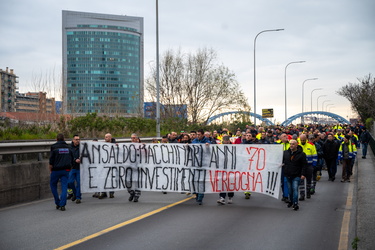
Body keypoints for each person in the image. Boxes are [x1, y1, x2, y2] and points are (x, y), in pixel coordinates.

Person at [49, 133, 74, 211]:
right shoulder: (68, 147)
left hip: (56, 170)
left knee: (53, 185)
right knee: (64, 187)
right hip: (66, 170)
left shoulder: (54, 147)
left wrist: (51, 169)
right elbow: (72, 159)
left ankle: (57, 202)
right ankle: (63, 204)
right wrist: (70, 168)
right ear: (64, 139)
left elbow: (51, 160)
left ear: (56, 139)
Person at [282, 139, 307, 211]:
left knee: (295, 189)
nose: (291, 145)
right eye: (290, 144)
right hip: (288, 174)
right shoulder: (286, 153)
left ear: (296, 145)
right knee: (290, 190)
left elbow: (304, 165)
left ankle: (295, 203)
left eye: (293, 144)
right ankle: (291, 201)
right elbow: (282, 161)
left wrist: (303, 174)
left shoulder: (302, 154)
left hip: (296, 175)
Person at [192, 129, 211, 205]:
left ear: (203, 135)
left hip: (203, 164)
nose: (198, 136)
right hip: (195, 163)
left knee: (201, 181)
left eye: (199, 134)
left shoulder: (207, 141)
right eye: (197, 134)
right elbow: (191, 149)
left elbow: (210, 152)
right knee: (195, 180)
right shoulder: (194, 141)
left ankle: (200, 197)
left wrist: (207, 147)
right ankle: (196, 193)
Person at [298, 134, 317, 200]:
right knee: (301, 181)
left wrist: (314, 165)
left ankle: (308, 192)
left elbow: (315, 155)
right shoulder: (298, 145)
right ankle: (302, 194)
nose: (302, 141)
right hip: (301, 166)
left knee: (309, 180)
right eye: (301, 140)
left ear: (306, 139)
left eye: (303, 140)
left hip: (309, 165)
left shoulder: (311, 145)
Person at [217, 136, 234, 204]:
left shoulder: (234, 147)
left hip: (231, 168)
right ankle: (222, 197)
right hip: (222, 167)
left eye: (227, 140)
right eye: (225, 140)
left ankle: (230, 197)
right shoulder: (220, 147)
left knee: (230, 183)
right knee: (222, 182)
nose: (226, 142)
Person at [98, 133, 116, 199]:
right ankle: (103, 192)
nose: (105, 138)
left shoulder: (115, 145)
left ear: (110, 138)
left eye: (107, 137)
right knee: (103, 178)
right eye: (105, 137)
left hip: (112, 164)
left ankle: (111, 192)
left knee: (111, 178)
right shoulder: (102, 145)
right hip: (104, 165)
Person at [67, 135, 82, 204]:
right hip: (72, 167)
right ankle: (75, 193)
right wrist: (75, 160)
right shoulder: (69, 148)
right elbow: (68, 157)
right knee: (70, 182)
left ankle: (78, 197)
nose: (77, 141)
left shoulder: (82, 147)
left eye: (78, 139)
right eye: (76, 139)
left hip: (79, 168)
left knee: (79, 183)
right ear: (73, 140)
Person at [128, 133, 142, 202]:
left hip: (137, 167)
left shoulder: (141, 146)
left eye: (134, 138)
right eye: (131, 138)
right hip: (129, 167)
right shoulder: (128, 146)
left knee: (137, 181)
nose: (132, 139)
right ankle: (131, 192)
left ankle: (136, 195)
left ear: (137, 139)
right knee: (127, 181)